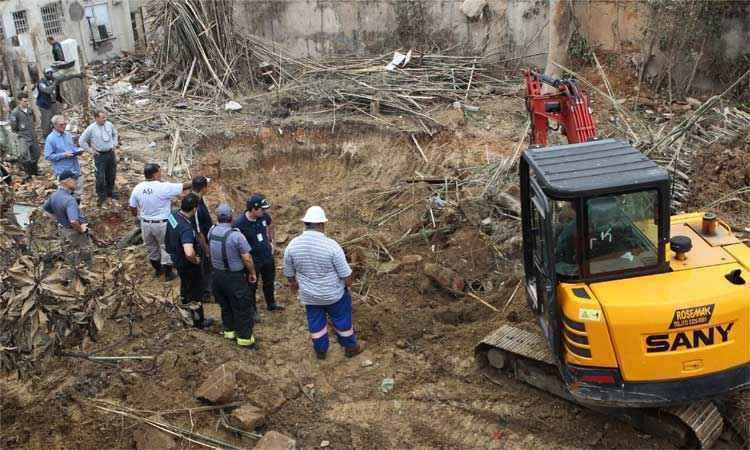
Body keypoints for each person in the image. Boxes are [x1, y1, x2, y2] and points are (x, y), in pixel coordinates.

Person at [283, 206, 366, 360]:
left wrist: (294, 286)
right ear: (322, 224)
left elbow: (289, 274)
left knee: (316, 323)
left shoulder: (292, 246)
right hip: (333, 295)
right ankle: (350, 347)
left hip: (310, 296)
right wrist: (348, 286)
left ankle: (321, 351)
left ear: (305, 224)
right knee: (342, 320)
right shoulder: (331, 246)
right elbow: (346, 275)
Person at [128, 163, 191, 281]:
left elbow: (132, 206)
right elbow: (183, 186)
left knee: (151, 247)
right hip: (162, 223)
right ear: (155, 174)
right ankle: (168, 274)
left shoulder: (138, 188)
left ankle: (158, 271)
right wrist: (198, 181)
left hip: (146, 223)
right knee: (166, 246)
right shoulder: (163, 187)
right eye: (160, 171)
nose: (161, 174)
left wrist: (136, 216)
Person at [209, 204, 258, 349]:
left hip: (217, 276)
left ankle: (229, 332)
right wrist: (252, 273)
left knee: (226, 306)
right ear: (231, 217)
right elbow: (247, 258)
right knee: (242, 308)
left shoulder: (211, 231)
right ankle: (245, 340)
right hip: (234, 277)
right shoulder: (236, 235)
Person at [165, 193, 213, 329]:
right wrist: (196, 260)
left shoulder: (173, 216)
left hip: (177, 260)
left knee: (185, 288)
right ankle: (199, 322)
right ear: (194, 209)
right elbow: (189, 251)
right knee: (196, 292)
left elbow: (169, 233)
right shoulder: (186, 227)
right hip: (188, 265)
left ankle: (185, 312)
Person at [234, 194, 284, 323]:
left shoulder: (264, 217)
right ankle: (253, 310)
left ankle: (271, 303)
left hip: (267, 256)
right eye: (262, 209)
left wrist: (272, 242)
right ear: (253, 209)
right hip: (253, 260)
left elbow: (271, 224)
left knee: (269, 281)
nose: (264, 211)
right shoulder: (240, 224)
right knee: (252, 286)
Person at [42, 170, 92, 269]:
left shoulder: (54, 195)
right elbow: (73, 221)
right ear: (65, 181)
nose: (76, 182)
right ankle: (84, 275)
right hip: (74, 232)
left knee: (69, 252)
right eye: (73, 179)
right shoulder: (70, 200)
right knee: (83, 254)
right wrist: (80, 229)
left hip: (64, 230)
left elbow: (46, 211)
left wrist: (59, 220)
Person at [80, 110, 118, 207]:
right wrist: (91, 151)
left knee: (111, 174)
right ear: (96, 118)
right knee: (100, 177)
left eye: (105, 117)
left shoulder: (109, 125)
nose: (105, 119)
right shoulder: (91, 128)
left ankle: (110, 193)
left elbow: (115, 134)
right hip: (100, 155)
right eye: (102, 118)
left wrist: (114, 144)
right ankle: (102, 196)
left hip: (110, 153)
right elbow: (82, 141)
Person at [44, 115, 84, 201]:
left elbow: (72, 148)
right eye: (61, 124)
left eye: (65, 124)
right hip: (63, 172)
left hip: (75, 169)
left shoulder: (68, 135)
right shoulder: (51, 138)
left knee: (77, 195)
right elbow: (48, 156)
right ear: (54, 125)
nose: (64, 126)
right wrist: (63, 155)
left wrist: (78, 151)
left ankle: (75, 212)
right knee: (66, 197)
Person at [37, 67, 80, 139]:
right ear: (45, 74)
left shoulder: (53, 80)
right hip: (44, 105)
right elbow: (48, 91)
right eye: (48, 73)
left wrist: (77, 75)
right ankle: (46, 137)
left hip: (53, 103)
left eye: (51, 73)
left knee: (56, 119)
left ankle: (57, 135)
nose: (50, 74)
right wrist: (55, 83)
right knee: (46, 122)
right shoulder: (41, 83)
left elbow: (66, 77)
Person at [8, 93, 40, 179]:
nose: (27, 103)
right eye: (24, 101)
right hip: (23, 137)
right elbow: (14, 127)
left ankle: (35, 171)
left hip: (32, 135)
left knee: (36, 154)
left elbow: (34, 121)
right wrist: (21, 133)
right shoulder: (15, 112)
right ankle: (28, 173)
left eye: (27, 101)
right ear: (19, 101)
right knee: (24, 154)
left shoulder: (30, 110)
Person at [192, 176, 213, 296]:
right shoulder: (196, 205)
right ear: (204, 188)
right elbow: (199, 232)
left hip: (203, 238)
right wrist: (206, 249)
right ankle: (206, 292)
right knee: (205, 267)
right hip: (201, 242)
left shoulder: (197, 199)